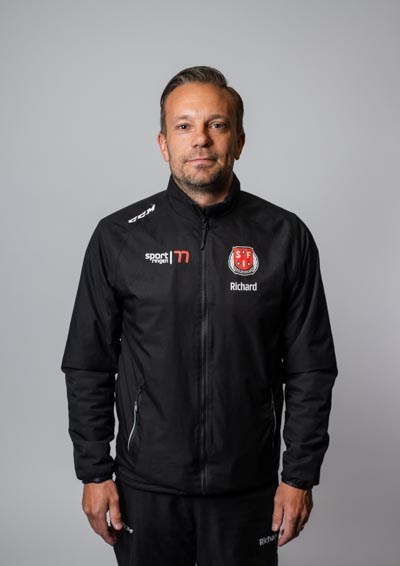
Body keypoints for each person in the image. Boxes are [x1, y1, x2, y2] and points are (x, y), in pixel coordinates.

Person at [61, 65, 338, 566]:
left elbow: (311, 369)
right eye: (184, 125)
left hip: (247, 488)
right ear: (163, 144)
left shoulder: (285, 236)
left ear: (239, 140)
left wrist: (299, 475)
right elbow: (88, 364)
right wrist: (94, 471)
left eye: (217, 124)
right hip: (146, 488)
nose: (201, 139)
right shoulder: (119, 237)